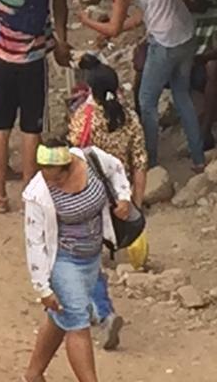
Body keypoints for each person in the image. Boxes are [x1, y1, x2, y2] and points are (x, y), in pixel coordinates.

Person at [80, 0, 204, 170]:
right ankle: (198, 158)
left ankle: (149, 162)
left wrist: (88, 21)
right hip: (186, 39)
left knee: (147, 102)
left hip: (165, 45)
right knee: (182, 96)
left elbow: (115, 28)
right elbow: (140, 16)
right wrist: (108, 33)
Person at [22, 141, 132, 382]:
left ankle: (33, 374)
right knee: (77, 322)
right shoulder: (37, 193)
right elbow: (35, 242)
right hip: (63, 261)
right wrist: (42, 287)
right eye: (46, 177)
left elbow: (116, 169)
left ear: (68, 166)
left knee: (60, 316)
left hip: (91, 257)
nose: (52, 184)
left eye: (57, 179)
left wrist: (124, 197)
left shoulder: (92, 159)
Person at [69, 53, 147, 351]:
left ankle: (101, 311)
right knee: (94, 256)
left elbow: (73, 158)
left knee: (84, 258)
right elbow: (140, 163)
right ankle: (92, 307)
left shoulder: (85, 118)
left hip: (88, 198)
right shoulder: (130, 119)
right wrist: (134, 204)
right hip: (120, 199)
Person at [0, 0, 66, 212]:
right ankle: (29, 194)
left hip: (4, 60)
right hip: (33, 62)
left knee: (0, 127)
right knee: (31, 129)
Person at [181, 0, 217, 150]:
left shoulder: (216, 14)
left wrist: (195, 58)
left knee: (215, 67)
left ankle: (205, 131)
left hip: (197, 66)